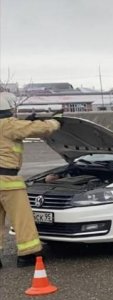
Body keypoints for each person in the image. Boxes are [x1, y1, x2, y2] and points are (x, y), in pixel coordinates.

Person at [0, 92, 61, 268]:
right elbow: (36, 129)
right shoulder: (8, 125)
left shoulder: (10, 126)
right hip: (8, 182)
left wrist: (25, 121)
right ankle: (28, 254)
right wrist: (54, 122)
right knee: (22, 219)